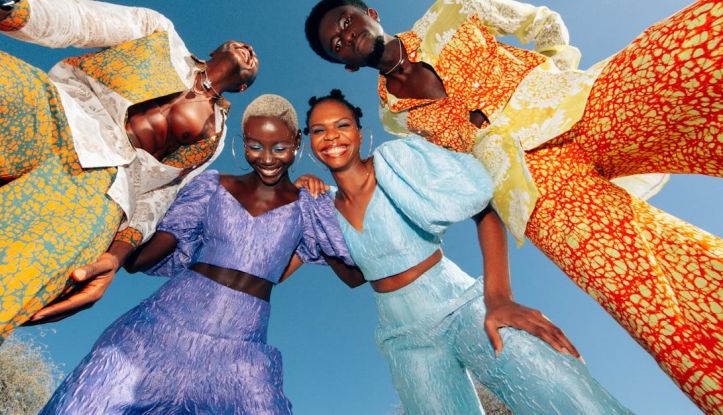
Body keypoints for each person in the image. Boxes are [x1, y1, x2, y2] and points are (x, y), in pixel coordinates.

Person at [304, 1, 723, 411]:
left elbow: (542, 23)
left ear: (370, 15)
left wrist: (554, 74)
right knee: (655, 310)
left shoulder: (450, 11)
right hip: (540, 191)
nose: (345, 35)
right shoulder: (395, 119)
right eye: (336, 44)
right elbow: (465, 181)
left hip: (579, 104)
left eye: (345, 22)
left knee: (699, 46)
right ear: (348, 66)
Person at [0, 0, 257, 411]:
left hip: (100, 196)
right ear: (216, 49)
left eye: (254, 60)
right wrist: (3, 9)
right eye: (244, 45)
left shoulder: (215, 137)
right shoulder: (160, 33)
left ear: (243, 87)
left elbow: (158, 197)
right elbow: (79, 21)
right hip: (54, 111)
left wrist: (116, 257)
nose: (250, 51)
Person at [298, 89, 631, 414]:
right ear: (309, 143)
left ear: (359, 132)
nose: (331, 136)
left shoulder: (395, 161)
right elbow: (355, 276)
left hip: (459, 304)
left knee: (557, 387)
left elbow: (482, 205)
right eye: (318, 130)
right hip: (403, 339)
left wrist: (499, 297)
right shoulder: (322, 208)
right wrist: (304, 210)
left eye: (341, 125)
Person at [39, 94, 362, 414]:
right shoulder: (211, 185)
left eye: (279, 148)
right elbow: (146, 256)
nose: (267, 158)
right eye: (254, 146)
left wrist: (337, 191)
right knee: (85, 404)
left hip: (242, 352)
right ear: (243, 141)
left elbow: (354, 275)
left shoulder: (311, 204)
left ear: (296, 141)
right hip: (157, 329)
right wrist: (117, 248)